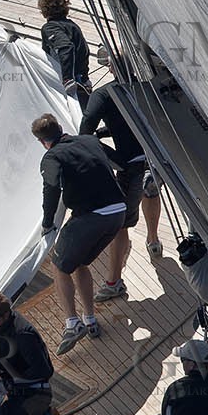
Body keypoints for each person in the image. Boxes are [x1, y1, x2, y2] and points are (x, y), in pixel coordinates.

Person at [32, 112, 125, 353]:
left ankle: (72, 323)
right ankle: (90, 320)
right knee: (80, 263)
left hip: (91, 217)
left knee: (60, 266)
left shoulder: (51, 157)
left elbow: (51, 189)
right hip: (118, 213)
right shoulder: (90, 140)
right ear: (61, 128)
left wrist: (47, 222)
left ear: (42, 142)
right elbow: (119, 162)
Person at [78, 83, 164, 302]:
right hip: (157, 156)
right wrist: (107, 131)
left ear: (110, 65)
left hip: (130, 163)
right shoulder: (144, 84)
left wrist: (87, 142)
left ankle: (114, 283)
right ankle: (153, 240)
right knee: (151, 193)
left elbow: (87, 122)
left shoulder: (105, 93)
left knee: (120, 224)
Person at [38, 0, 91, 104]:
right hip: (82, 83)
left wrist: (67, 79)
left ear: (44, 9)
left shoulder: (51, 27)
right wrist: (85, 77)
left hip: (70, 87)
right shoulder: (72, 26)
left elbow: (65, 47)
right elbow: (84, 51)